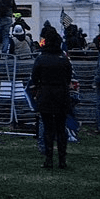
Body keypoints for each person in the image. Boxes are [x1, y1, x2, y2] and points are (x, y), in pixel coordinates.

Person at [29, 27, 72, 169]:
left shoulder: (41, 59)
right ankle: (62, 159)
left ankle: (48, 159)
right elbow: (68, 77)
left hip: (46, 93)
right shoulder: (64, 59)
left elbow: (34, 78)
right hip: (61, 93)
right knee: (61, 128)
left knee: (48, 128)